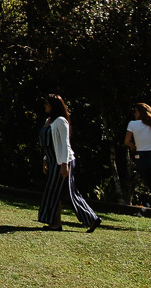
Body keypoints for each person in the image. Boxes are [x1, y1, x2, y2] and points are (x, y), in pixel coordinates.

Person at [38, 94, 100, 232]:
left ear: (53, 106)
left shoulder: (61, 121)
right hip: (53, 160)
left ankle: (89, 219)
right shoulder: (48, 121)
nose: (45, 106)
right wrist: (45, 159)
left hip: (62, 161)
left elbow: (65, 144)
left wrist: (64, 165)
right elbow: (48, 145)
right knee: (61, 193)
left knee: (61, 192)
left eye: (47, 103)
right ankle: (58, 223)